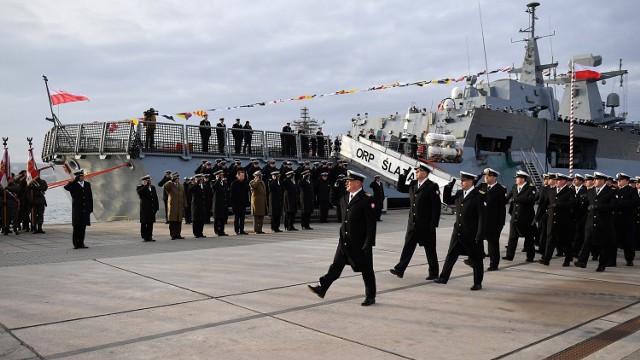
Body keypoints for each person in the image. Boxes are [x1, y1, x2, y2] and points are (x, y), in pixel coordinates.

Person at [308, 170, 377, 306]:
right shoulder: (346, 197)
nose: (346, 183)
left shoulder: (366, 199)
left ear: (357, 183)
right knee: (336, 266)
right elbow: (332, 200)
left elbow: (371, 224)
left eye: (349, 181)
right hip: (345, 241)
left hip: (360, 243)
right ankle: (322, 288)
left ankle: (371, 296)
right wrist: (334, 186)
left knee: (366, 270)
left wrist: (369, 243)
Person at [434, 171, 487, 290]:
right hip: (458, 232)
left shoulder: (479, 195)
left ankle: (477, 282)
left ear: (470, 181)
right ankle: (443, 277)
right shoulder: (459, 194)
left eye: (463, 181)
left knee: (476, 258)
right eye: (461, 180)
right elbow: (447, 199)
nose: (461, 182)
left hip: (472, 233)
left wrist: (480, 234)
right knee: (451, 255)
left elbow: (482, 217)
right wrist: (449, 186)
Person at [389, 164, 441, 280]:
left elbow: (436, 207)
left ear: (425, 173)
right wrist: (403, 176)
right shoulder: (413, 184)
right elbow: (400, 188)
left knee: (430, 249)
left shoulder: (432, 186)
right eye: (416, 171)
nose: (416, 172)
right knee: (408, 246)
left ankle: (434, 273)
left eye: (419, 171)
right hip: (412, 223)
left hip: (426, 225)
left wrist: (433, 224)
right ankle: (400, 269)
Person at [574, 172, 617, 271]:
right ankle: (582, 261)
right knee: (587, 241)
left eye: (596, 179)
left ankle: (602, 265)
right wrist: (577, 218)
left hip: (603, 223)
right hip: (590, 222)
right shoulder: (591, 191)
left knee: (603, 245)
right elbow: (584, 207)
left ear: (603, 181)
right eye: (594, 179)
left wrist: (599, 207)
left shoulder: (610, 192)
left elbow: (613, 206)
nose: (594, 181)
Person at [538, 173, 576, 267]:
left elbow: (572, 204)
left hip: (563, 221)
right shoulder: (552, 190)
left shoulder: (570, 191)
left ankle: (567, 259)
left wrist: (559, 204)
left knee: (566, 241)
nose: (557, 181)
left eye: (559, 180)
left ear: (565, 181)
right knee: (550, 239)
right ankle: (546, 259)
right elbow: (545, 204)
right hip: (552, 220)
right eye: (557, 180)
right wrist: (537, 216)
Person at [503, 170, 537, 262]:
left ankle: (530, 257)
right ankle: (509, 255)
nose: (516, 180)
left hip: (526, 218)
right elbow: (508, 197)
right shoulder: (514, 187)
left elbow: (531, 200)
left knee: (529, 239)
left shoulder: (531, 188)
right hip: (515, 216)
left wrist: (517, 199)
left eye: (517, 178)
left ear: (522, 179)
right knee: (512, 237)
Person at [478, 168, 507, 271]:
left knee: (493, 244)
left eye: (488, 176)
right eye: (485, 175)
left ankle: (494, 264)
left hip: (493, 222)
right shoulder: (482, 186)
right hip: (481, 220)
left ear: (494, 177)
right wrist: (480, 174)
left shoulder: (500, 189)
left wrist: (501, 224)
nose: (486, 177)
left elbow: (502, 209)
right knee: (478, 240)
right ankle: (478, 257)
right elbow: (473, 187)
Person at [613, 173, 639, 266]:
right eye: (618, 180)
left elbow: (634, 202)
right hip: (616, 219)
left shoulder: (632, 190)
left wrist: (620, 202)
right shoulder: (615, 190)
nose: (619, 181)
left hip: (627, 219)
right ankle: (612, 260)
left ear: (627, 181)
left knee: (628, 241)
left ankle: (629, 259)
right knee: (614, 240)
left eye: (621, 180)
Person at [64, 169, 93, 248]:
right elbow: (66, 187)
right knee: (76, 227)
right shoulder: (73, 185)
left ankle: (81, 242)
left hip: (85, 209)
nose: (82, 177)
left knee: (83, 227)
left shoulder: (87, 184)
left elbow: (90, 197)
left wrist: (91, 208)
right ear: (77, 177)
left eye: (83, 176)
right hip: (77, 209)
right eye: (80, 176)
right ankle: (76, 244)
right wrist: (74, 181)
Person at [136, 175, 159, 242]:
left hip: (151, 208)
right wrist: (145, 186)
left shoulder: (152, 187)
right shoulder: (140, 187)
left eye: (149, 180)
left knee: (150, 223)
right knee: (144, 223)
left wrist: (156, 207)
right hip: (144, 209)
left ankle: (150, 236)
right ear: (144, 181)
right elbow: (140, 193)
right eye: (147, 181)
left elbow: (155, 198)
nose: (149, 182)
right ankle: (144, 236)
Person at [163, 172, 185, 240]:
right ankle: (173, 235)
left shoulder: (181, 186)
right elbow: (165, 186)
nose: (178, 180)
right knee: (172, 221)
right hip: (172, 206)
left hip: (180, 206)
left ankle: (178, 234)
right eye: (176, 178)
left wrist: (185, 204)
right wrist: (170, 180)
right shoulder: (170, 185)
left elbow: (184, 196)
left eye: (178, 178)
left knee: (179, 221)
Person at [230, 170, 250, 235]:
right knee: (236, 218)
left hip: (243, 204)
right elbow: (232, 195)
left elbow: (246, 194)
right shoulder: (234, 183)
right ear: (238, 176)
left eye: (243, 175)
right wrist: (233, 205)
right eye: (241, 175)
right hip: (236, 204)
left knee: (242, 218)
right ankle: (236, 230)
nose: (243, 176)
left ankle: (242, 230)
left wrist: (247, 203)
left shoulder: (244, 183)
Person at [211, 170, 229, 236]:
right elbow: (214, 187)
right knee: (217, 218)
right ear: (217, 176)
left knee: (222, 218)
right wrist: (218, 179)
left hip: (223, 203)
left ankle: (222, 230)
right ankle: (217, 230)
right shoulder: (213, 182)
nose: (221, 177)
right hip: (217, 203)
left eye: (222, 175)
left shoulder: (224, 183)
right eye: (220, 176)